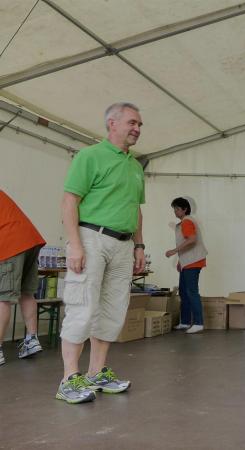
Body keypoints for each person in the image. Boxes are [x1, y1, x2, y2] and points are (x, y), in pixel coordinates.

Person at [58, 102, 146, 404]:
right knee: (82, 306)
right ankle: (69, 378)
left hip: (123, 244)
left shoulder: (136, 166)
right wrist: (76, 245)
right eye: (132, 122)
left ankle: (96, 373)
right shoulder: (89, 156)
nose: (137, 129)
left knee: (112, 310)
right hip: (91, 238)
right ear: (112, 123)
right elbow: (69, 202)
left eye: (139, 125)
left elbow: (136, 210)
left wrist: (139, 245)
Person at [0, 190, 46, 366]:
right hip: (29, 240)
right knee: (26, 293)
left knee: (3, 297)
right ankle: (31, 340)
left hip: (10, 241)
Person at [166, 197, 207, 334]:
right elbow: (187, 242)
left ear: (185, 209)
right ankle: (184, 321)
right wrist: (180, 261)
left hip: (193, 261)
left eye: (177, 209)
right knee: (183, 291)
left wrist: (174, 251)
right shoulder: (184, 222)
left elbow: (192, 239)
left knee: (191, 291)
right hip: (187, 261)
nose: (175, 211)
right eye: (174, 209)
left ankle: (198, 323)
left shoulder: (187, 221)